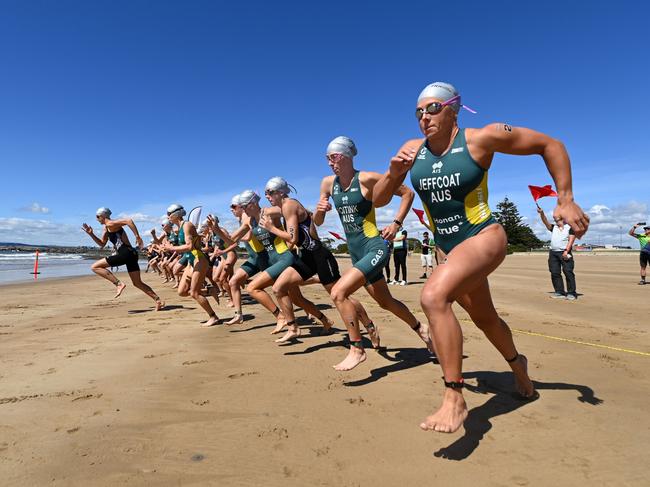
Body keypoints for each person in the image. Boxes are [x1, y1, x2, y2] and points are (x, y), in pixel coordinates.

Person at [373, 81, 589, 433]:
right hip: (448, 248)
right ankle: (519, 367)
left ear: (454, 108)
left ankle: (453, 397)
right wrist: (394, 172)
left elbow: (550, 145)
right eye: (418, 112)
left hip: (484, 236)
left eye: (433, 109)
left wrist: (564, 198)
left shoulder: (481, 138)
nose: (424, 117)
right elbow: (381, 199)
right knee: (486, 319)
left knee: (432, 296)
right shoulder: (412, 149)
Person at [315, 136, 434, 371]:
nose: (330, 163)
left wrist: (396, 223)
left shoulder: (368, 179)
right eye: (327, 158)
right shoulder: (328, 183)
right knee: (386, 302)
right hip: (355, 251)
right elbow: (318, 222)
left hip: (374, 246)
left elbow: (407, 193)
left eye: (334, 157)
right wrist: (320, 211)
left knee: (339, 292)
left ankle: (357, 348)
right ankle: (421, 328)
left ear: (347, 156)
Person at [262, 176, 378, 344]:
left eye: (270, 193)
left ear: (280, 192)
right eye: (265, 193)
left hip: (320, 256)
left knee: (340, 295)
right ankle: (293, 327)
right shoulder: (283, 206)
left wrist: (271, 228)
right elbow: (270, 212)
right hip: (306, 257)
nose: (267, 196)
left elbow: (292, 238)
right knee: (279, 288)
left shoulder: (289, 205)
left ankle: (369, 325)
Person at [82, 207, 164, 310]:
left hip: (125, 253)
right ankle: (158, 300)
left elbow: (128, 221)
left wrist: (137, 237)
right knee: (137, 283)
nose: (96, 219)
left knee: (95, 267)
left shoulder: (110, 224)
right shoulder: (107, 228)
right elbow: (102, 244)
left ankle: (119, 284)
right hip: (131, 254)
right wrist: (91, 234)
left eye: (97, 217)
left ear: (103, 216)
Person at [162, 204, 220, 327]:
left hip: (199, 260)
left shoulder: (187, 225)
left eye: (169, 214)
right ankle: (209, 290)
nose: (168, 217)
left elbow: (189, 246)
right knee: (182, 291)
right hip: (191, 261)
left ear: (175, 214)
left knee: (194, 293)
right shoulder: (180, 228)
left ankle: (213, 316)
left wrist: (171, 248)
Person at [537, 205, 577, 300]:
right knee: (554, 272)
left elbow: (571, 240)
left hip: (564, 252)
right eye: (555, 219)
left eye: (557, 218)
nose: (555, 219)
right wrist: (542, 213)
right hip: (553, 253)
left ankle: (571, 293)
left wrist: (566, 251)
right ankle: (559, 292)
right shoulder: (553, 227)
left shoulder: (570, 228)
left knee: (568, 271)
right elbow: (545, 221)